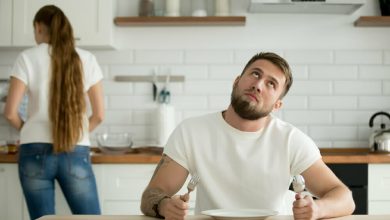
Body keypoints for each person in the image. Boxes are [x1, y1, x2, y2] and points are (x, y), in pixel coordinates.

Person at [140, 52, 355, 220]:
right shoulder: (191, 132)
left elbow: (344, 198)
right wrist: (165, 206)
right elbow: (152, 195)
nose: (258, 85)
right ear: (236, 81)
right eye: (255, 74)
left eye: (271, 83)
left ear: (278, 104)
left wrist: (317, 209)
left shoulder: (291, 139)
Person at [4, 5, 104, 220]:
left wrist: (29, 130)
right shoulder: (86, 59)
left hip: (33, 150)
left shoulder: (27, 57)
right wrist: (77, 133)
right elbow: (99, 115)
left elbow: (10, 112)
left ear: (39, 27)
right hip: (75, 148)